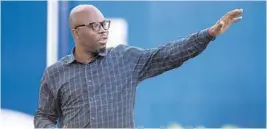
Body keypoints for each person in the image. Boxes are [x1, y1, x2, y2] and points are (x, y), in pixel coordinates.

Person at [34, 4, 243, 128]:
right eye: (94, 26)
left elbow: (168, 55)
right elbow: (44, 115)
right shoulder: (55, 74)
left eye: (104, 24)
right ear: (76, 32)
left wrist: (208, 35)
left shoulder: (124, 59)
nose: (103, 30)